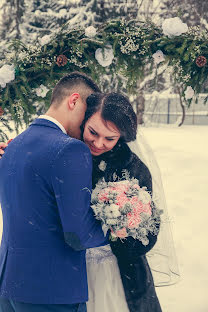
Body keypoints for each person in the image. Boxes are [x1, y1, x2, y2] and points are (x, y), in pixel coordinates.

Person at [0, 72, 109, 312]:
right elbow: (77, 234)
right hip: (51, 292)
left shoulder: (14, 145)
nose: (87, 123)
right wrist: (118, 227)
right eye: (87, 112)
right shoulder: (70, 149)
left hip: (9, 287)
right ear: (73, 101)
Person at [81, 92, 162, 312]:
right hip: (74, 269)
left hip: (122, 274)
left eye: (109, 138)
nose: (98, 143)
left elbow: (149, 231)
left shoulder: (134, 169)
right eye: (93, 132)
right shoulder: (67, 158)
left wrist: (125, 228)